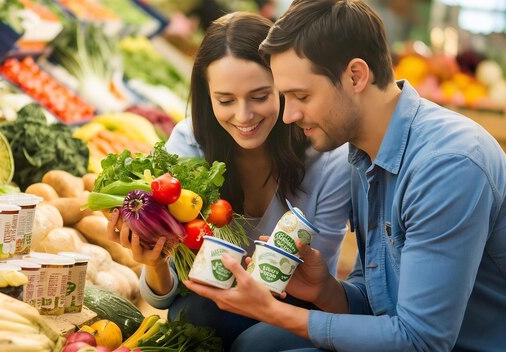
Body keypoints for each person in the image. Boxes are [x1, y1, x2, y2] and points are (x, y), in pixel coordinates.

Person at [182, 1, 506, 351]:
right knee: (250, 340)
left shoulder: (447, 164)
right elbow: (378, 302)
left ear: (355, 76)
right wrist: (325, 289)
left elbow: (421, 341)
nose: (287, 116)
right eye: (283, 96)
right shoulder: (363, 153)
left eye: (301, 95)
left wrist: (272, 311)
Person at [107, 11, 352, 350]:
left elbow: (315, 291)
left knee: (253, 344)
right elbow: (164, 299)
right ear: (207, 98)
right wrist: (155, 262)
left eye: (260, 95)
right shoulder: (191, 144)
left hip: (291, 309)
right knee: (194, 315)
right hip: (210, 306)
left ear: (284, 85)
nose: (243, 115)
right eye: (225, 100)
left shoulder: (327, 158)